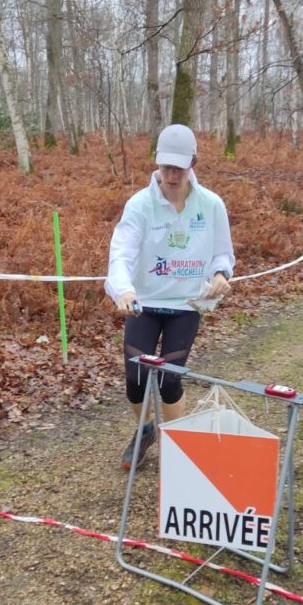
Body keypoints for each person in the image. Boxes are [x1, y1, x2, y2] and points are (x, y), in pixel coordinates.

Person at [105, 123, 235, 470]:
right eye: (166, 168)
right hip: (144, 304)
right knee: (135, 380)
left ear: (193, 163)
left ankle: (175, 446)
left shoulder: (211, 205)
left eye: (179, 168)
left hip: (186, 305)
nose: (172, 176)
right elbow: (121, 254)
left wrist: (220, 275)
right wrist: (123, 290)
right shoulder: (140, 205)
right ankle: (145, 430)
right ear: (157, 162)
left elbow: (223, 254)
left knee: (169, 378)